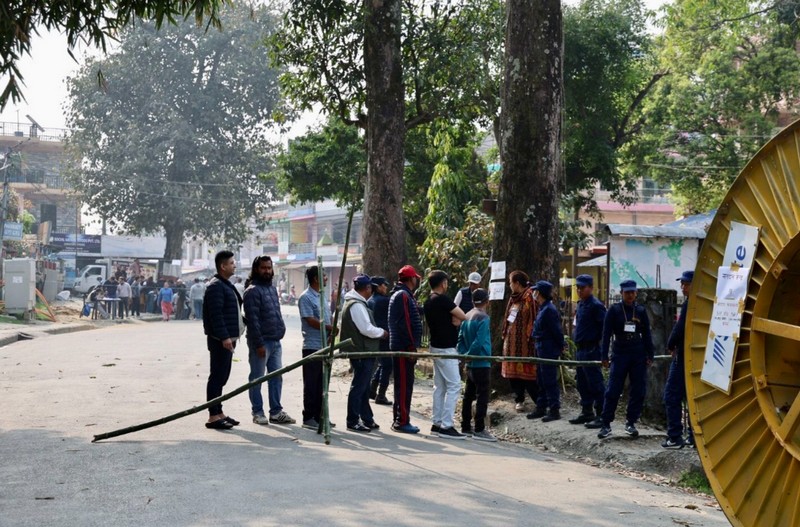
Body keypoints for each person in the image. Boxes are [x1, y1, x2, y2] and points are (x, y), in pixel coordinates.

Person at [590, 280, 654, 439]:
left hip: (637, 352)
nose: (630, 295)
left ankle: (631, 422)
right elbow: (606, 334)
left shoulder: (640, 310)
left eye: (632, 292)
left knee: (638, 389)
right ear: (621, 293)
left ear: (636, 293)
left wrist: (650, 354)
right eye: (627, 292)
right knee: (613, 389)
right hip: (620, 352)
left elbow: (647, 333)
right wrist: (604, 355)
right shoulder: (614, 310)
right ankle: (606, 423)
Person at [243, 255, 295, 426]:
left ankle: (276, 412)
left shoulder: (272, 289)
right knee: (257, 378)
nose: (267, 271)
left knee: (276, 377)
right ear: (256, 269)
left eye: (269, 267)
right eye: (263, 268)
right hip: (261, 342)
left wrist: (281, 330)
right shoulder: (252, 291)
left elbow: (276, 313)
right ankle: (257, 412)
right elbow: (253, 321)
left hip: (275, 341)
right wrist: (258, 344)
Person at [424, 270, 467, 439]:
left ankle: (437, 423)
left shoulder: (428, 301)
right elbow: (462, 316)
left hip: (435, 346)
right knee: (454, 385)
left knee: (440, 386)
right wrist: (456, 319)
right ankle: (447, 425)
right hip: (447, 348)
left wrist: (455, 319)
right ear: (443, 283)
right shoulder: (443, 299)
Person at [203, 250, 243, 430]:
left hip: (229, 338)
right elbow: (216, 315)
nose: (235, 265)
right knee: (217, 377)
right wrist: (225, 337)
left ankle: (219, 412)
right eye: (232, 263)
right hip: (220, 340)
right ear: (223, 266)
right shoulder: (215, 286)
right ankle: (213, 416)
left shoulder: (225, 284)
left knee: (223, 377)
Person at [342, 274, 388, 432]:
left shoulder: (356, 302)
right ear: (367, 288)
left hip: (363, 350)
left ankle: (367, 418)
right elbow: (366, 329)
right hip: (361, 351)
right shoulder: (356, 305)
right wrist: (382, 332)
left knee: (364, 387)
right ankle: (353, 420)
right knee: (359, 387)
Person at [457, 288, 496, 442]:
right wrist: (470, 354)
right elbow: (479, 342)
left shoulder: (466, 316)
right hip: (481, 361)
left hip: (470, 364)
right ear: (487, 301)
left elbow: (460, 339)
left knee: (468, 395)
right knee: (482, 395)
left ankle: (465, 426)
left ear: (473, 301)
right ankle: (479, 428)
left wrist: (464, 355)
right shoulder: (484, 318)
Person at [298, 266, 335, 430]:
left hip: (325, 345)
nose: (326, 279)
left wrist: (331, 331)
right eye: (324, 276)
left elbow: (328, 316)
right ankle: (309, 417)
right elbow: (310, 320)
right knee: (311, 384)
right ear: (315, 278)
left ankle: (321, 416)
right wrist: (328, 327)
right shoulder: (306, 297)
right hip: (312, 346)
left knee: (322, 384)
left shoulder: (321, 296)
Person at [388, 265, 423, 434]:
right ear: (411, 279)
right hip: (403, 347)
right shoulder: (402, 295)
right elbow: (405, 324)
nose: (416, 280)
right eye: (415, 277)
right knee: (403, 386)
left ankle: (400, 419)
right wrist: (411, 347)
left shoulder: (404, 295)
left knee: (404, 385)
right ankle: (401, 421)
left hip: (403, 346)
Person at [663, 270, 694, 449]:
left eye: (686, 284)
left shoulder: (690, 304)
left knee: (671, 395)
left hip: (683, 356)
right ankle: (693, 436)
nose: (683, 287)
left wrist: (670, 343)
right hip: (696, 356)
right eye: (682, 284)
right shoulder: (703, 304)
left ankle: (674, 436)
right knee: (692, 397)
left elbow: (680, 327)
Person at [570, 274, 607, 426]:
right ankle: (587, 411)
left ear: (591, 288)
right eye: (577, 287)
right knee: (582, 382)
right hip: (580, 349)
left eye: (582, 288)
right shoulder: (581, 304)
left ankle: (601, 414)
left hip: (591, 349)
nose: (579, 290)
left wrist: (603, 351)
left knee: (595, 382)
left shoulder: (596, 306)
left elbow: (605, 329)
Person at [501, 270, 539, 413]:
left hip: (525, 344)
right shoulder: (513, 299)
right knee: (514, 374)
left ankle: (539, 401)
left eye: (510, 282)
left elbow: (533, 318)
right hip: (511, 344)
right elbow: (507, 318)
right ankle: (519, 399)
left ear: (517, 283)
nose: (510, 285)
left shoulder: (530, 297)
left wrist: (531, 337)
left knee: (528, 374)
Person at [529, 280, 565, 422]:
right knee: (541, 379)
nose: (533, 293)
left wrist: (561, 345)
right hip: (541, 346)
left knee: (549, 379)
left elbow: (556, 330)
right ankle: (541, 407)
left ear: (540, 293)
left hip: (548, 347)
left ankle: (554, 409)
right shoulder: (543, 308)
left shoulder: (549, 310)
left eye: (535, 291)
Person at [368, 276, 393, 405]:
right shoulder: (384, 301)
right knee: (387, 364)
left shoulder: (370, 300)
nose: (386, 287)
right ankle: (381, 395)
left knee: (382, 364)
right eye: (384, 285)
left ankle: (372, 389)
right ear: (378, 287)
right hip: (384, 335)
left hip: (375, 336)